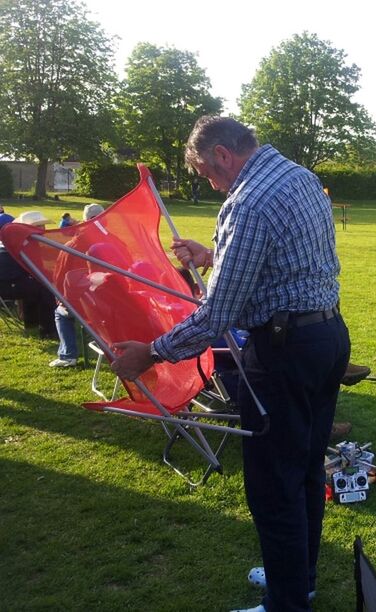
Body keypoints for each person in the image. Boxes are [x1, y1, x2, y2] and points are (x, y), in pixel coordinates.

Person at [110, 116, 350, 612]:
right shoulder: (295, 175)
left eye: (204, 171)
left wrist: (150, 352)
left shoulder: (248, 200)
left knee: (273, 483)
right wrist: (215, 253)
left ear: (222, 154)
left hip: (284, 351)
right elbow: (285, 258)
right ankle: (296, 578)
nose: (209, 182)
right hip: (327, 338)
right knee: (304, 468)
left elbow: (217, 315)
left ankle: (287, 601)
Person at [49, 203, 106, 367]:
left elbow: (59, 278)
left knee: (60, 312)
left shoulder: (72, 246)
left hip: (85, 304)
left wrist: (61, 301)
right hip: (114, 302)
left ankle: (68, 355)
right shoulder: (115, 242)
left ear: (85, 221)